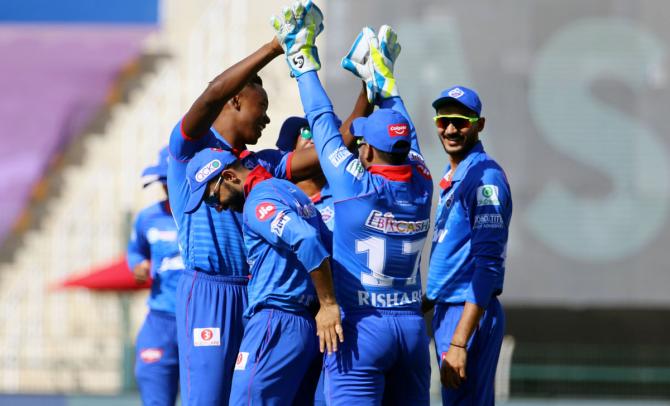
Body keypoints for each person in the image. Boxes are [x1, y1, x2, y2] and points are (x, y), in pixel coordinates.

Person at [272, 6, 433, 403]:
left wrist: (301, 59)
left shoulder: (356, 183)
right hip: (412, 331)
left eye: (362, 141)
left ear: (370, 152)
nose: (357, 144)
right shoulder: (424, 181)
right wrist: (387, 87)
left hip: (361, 330)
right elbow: (405, 138)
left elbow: (322, 122)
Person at [179, 147, 341, 404]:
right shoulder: (290, 190)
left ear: (230, 177)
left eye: (212, 198)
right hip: (300, 323)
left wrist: (328, 304)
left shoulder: (258, 201)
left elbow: (307, 240)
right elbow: (328, 245)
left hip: (276, 322)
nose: (218, 207)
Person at [423, 85, 512, 405]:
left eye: (460, 121)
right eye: (443, 120)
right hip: (451, 309)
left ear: (479, 124)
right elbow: (454, 258)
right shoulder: (455, 174)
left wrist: (459, 342)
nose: (449, 129)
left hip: (467, 313)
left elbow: (487, 266)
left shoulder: (484, 179)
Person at [127, 146, 184, 406]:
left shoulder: (207, 215)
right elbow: (136, 252)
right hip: (160, 320)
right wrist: (138, 265)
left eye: (169, 180)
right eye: (163, 182)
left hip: (201, 318)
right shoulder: (147, 217)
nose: (166, 187)